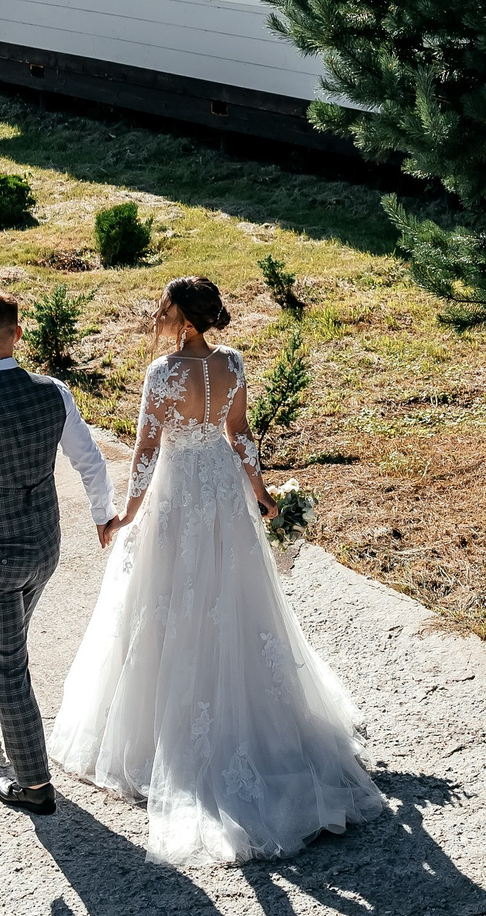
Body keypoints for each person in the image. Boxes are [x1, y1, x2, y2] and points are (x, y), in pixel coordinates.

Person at [51, 276, 384, 865]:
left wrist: (126, 514)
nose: (159, 311)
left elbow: (147, 453)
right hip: (225, 497)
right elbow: (240, 437)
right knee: (232, 601)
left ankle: (171, 741)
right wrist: (262, 494)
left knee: (166, 604)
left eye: (165, 305)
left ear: (180, 315)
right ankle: (258, 721)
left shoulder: (163, 375)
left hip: (178, 498)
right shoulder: (231, 364)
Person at [0, 289, 118, 816]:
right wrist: (103, 515)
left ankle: (34, 784)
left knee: (9, 663)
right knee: (5, 644)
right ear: (18, 334)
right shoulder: (53, 392)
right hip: (44, 550)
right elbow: (92, 462)